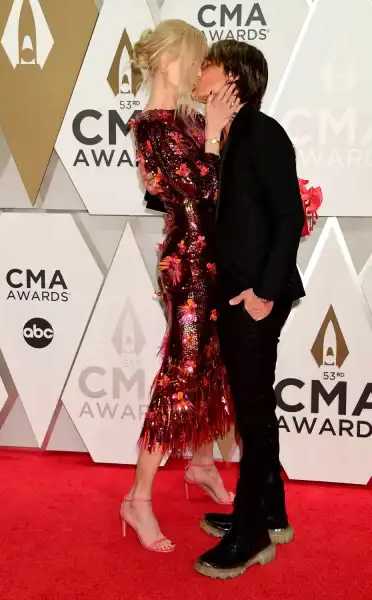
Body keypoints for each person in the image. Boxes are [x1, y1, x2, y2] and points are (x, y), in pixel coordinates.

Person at [141, 39, 322, 577]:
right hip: (238, 296)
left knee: (254, 415)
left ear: (232, 79)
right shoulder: (228, 135)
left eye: (209, 65)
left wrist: (263, 293)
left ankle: (250, 534)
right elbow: (207, 204)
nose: (199, 71)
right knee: (253, 412)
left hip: (255, 298)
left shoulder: (261, 132)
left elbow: (288, 217)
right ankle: (270, 513)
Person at [121, 20, 242, 553]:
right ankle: (138, 498)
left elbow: (230, 185)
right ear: (169, 59)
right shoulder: (150, 127)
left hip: (216, 261)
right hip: (186, 267)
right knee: (182, 374)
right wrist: (215, 134)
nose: (199, 69)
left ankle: (202, 463)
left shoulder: (191, 119)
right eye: (194, 58)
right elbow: (203, 187)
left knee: (216, 364)